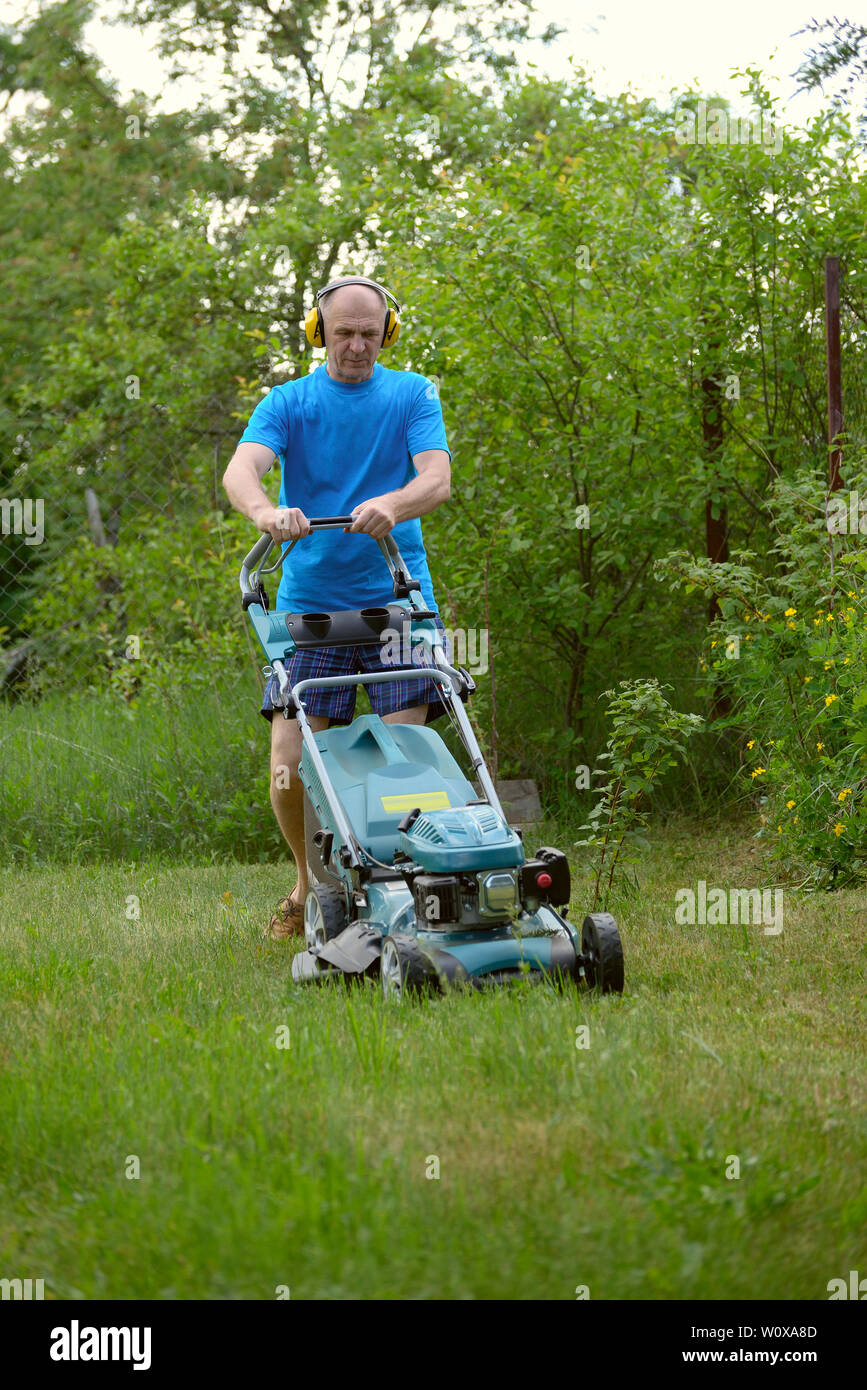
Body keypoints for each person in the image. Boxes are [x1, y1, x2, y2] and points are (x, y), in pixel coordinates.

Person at [222, 275, 452, 938]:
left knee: (398, 753)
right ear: (318, 332)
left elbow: (435, 478)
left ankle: (399, 886)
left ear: (388, 335)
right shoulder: (289, 402)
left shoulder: (412, 393)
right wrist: (267, 513)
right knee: (292, 762)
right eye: (344, 333)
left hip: (395, 604)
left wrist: (394, 504)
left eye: (369, 334)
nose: (356, 346)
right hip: (309, 607)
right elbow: (242, 470)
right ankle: (310, 885)